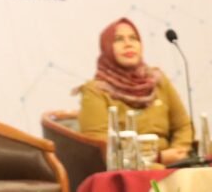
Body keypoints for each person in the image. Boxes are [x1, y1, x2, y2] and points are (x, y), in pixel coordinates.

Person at [77, 17, 192, 165]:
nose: (128, 44)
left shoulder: (158, 80)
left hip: (172, 164)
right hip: (127, 169)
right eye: (119, 39)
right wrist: (156, 158)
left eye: (133, 38)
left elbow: (183, 126)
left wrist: (179, 151)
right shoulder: (95, 90)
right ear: (107, 47)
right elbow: (99, 141)